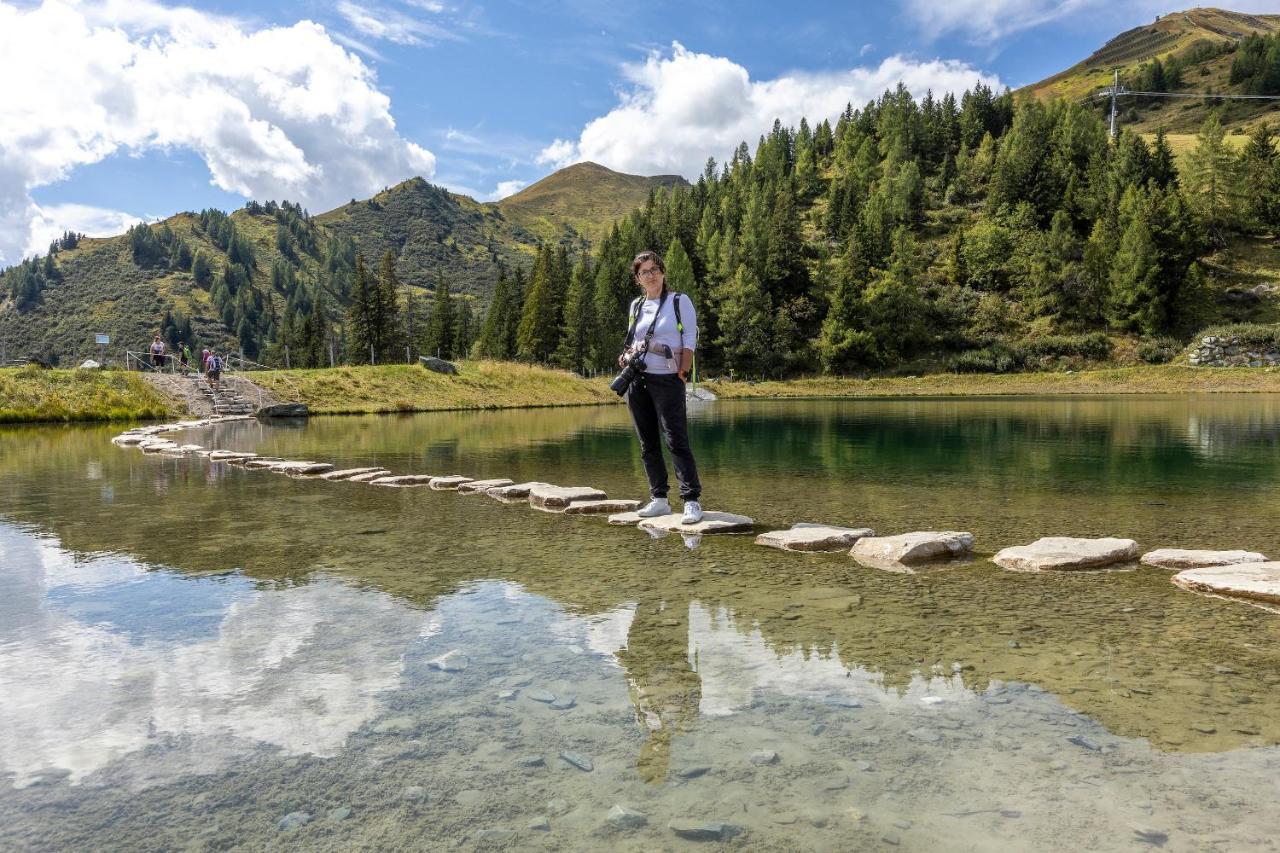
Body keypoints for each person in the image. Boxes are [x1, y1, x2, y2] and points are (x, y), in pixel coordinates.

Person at [620, 249, 703, 524]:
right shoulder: (635, 306)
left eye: (654, 269)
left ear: (663, 272)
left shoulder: (679, 301)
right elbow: (632, 338)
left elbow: (690, 337)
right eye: (644, 272)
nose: (650, 275)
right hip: (638, 381)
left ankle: (691, 500)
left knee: (675, 440)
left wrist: (684, 372)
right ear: (637, 279)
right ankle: (659, 499)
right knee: (647, 444)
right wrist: (625, 356)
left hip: (668, 380)